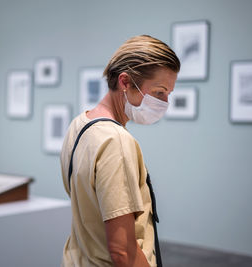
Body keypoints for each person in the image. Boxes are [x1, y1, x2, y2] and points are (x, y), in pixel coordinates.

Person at [60, 35, 180, 267]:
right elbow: (122, 251)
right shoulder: (116, 141)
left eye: (168, 94)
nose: (165, 102)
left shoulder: (79, 125)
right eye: (159, 92)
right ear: (125, 82)